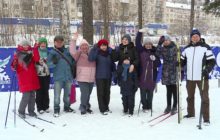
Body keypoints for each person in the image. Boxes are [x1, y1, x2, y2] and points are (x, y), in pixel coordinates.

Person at [181, 29, 215, 125]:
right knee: (190, 97)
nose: (195, 38)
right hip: (190, 78)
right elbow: (182, 60)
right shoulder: (187, 48)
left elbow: (212, 61)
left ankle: (206, 118)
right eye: (193, 36)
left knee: (204, 98)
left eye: (197, 36)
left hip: (202, 77)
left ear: (199, 37)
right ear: (191, 38)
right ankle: (191, 113)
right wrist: (178, 62)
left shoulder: (205, 47)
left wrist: (207, 69)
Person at [11, 39, 40, 118]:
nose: (26, 46)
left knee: (32, 96)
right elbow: (13, 66)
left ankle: (31, 111)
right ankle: (21, 111)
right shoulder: (18, 54)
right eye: (24, 45)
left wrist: (35, 49)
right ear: (21, 46)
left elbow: (37, 59)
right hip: (24, 79)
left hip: (32, 78)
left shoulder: (32, 53)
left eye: (27, 45)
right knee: (26, 96)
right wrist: (14, 63)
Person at [48, 35, 75, 117]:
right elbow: (48, 65)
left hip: (68, 76)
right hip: (58, 78)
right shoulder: (52, 52)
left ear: (63, 42)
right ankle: (56, 109)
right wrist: (54, 62)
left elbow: (74, 60)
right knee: (57, 95)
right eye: (57, 42)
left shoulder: (68, 51)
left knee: (67, 95)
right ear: (54, 42)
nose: (59, 43)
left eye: (61, 41)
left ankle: (67, 107)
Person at [112, 34, 139, 117]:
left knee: (131, 94)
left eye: (126, 39)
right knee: (124, 94)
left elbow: (137, 59)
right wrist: (113, 50)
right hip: (122, 71)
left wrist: (133, 64)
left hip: (131, 71)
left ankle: (131, 110)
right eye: (123, 39)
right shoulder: (119, 48)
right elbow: (114, 59)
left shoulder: (133, 48)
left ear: (129, 40)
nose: (125, 40)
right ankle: (125, 108)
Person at [69, 34, 96, 115]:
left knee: (89, 93)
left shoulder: (92, 53)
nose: (84, 47)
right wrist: (74, 40)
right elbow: (72, 51)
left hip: (91, 77)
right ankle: (82, 106)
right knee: (85, 93)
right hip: (82, 77)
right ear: (80, 47)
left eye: (86, 46)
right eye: (82, 46)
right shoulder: (78, 53)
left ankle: (87, 106)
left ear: (88, 46)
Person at [136, 29, 161, 112]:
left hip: (151, 77)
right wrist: (140, 33)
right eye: (146, 44)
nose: (148, 45)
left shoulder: (154, 52)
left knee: (150, 94)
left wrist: (155, 59)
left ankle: (149, 107)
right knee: (143, 94)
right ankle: (144, 107)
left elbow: (158, 64)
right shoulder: (141, 51)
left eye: (149, 44)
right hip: (142, 76)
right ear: (144, 45)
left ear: (151, 44)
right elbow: (137, 42)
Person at [88, 39, 116, 115]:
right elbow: (90, 58)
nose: (104, 47)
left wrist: (114, 72)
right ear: (99, 46)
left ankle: (106, 107)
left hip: (108, 76)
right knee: (101, 93)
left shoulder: (109, 53)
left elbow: (113, 61)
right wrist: (94, 49)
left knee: (107, 92)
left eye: (105, 45)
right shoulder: (97, 53)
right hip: (99, 76)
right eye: (102, 45)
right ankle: (102, 108)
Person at [156, 35, 178, 115]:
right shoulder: (162, 48)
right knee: (168, 90)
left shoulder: (175, 47)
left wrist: (179, 66)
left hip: (174, 70)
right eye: (164, 41)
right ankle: (168, 106)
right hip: (166, 71)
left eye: (166, 40)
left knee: (174, 89)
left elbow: (180, 58)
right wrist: (159, 44)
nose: (165, 42)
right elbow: (157, 54)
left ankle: (175, 106)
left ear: (169, 40)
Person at [35, 37, 50, 114]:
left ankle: (46, 106)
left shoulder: (48, 51)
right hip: (38, 75)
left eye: (44, 43)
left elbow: (51, 63)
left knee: (46, 91)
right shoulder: (36, 51)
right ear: (39, 44)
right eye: (42, 43)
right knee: (39, 91)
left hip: (46, 74)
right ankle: (39, 107)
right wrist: (37, 63)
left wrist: (50, 62)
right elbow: (32, 61)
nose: (43, 44)